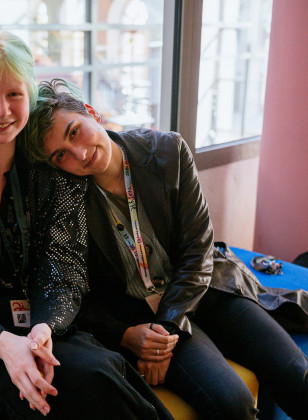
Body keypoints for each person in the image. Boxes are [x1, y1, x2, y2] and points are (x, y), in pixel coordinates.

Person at [0, 34, 174, 420]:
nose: (2, 110)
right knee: (20, 404)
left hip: (38, 322)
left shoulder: (53, 172)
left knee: (99, 379)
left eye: (14, 94)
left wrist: (43, 330)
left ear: (29, 96)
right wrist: (3, 343)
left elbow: (65, 273)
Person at [25, 79, 308, 420]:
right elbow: (74, 291)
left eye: (74, 132)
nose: (80, 154)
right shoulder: (66, 198)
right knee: (232, 403)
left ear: (91, 112)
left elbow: (197, 249)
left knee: (296, 373)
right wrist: (125, 335)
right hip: (139, 315)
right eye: (61, 155)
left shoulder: (167, 150)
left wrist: (169, 326)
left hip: (202, 289)